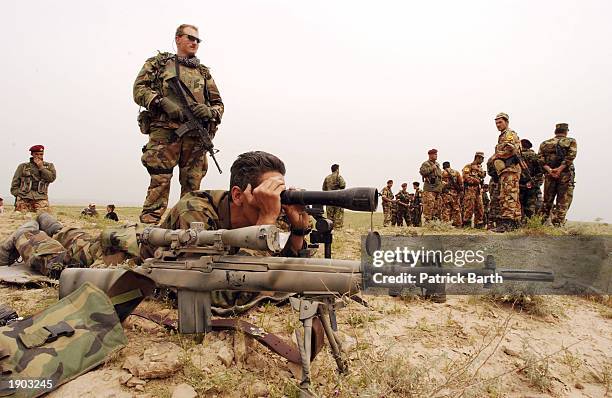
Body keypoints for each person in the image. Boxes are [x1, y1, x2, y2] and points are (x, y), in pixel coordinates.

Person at [0, 151, 310, 312]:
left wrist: (297, 230)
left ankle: (48, 222)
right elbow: (223, 286)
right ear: (239, 194)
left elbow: (280, 261)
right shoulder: (196, 208)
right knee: (59, 257)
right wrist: (268, 217)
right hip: (119, 251)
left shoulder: (262, 214)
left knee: (69, 231)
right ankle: (28, 228)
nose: (276, 203)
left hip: (138, 237)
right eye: (268, 193)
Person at [134, 23, 224, 224]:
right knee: (160, 182)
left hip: (196, 137)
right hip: (165, 136)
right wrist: (161, 102)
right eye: (190, 38)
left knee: (193, 188)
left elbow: (219, 104)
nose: (194, 42)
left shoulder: (203, 73)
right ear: (178, 39)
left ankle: (186, 232)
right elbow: (139, 90)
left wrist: (210, 111)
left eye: (197, 40)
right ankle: (149, 232)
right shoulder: (158, 64)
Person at [537, 123, 577, 226]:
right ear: (566, 131)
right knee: (563, 202)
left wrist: (550, 170)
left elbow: (540, 160)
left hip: (550, 175)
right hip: (565, 175)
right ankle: (558, 225)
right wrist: (559, 170)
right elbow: (571, 157)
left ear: (555, 131)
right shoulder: (571, 141)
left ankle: (539, 224)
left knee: (547, 202)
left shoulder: (544, 143)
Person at [490, 113, 522, 232]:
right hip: (506, 170)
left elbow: (512, 149)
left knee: (508, 196)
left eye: (500, 122)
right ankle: (515, 223)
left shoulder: (509, 134)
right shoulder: (502, 136)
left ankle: (507, 224)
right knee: (512, 196)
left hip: (510, 169)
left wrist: (496, 156)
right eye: (496, 123)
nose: (498, 125)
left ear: (506, 122)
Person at [10, 145, 56, 213]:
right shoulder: (23, 166)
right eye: (36, 154)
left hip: (41, 198)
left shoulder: (49, 166)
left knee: (44, 217)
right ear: (32, 154)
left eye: (41, 154)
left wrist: (41, 168)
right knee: (20, 217)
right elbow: (15, 184)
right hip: (24, 198)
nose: (39, 156)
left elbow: (51, 178)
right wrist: (19, 195)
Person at [519, 139, 544, 221]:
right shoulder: (535, 156)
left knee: (518, 207)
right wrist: (532, 182)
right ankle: (529, 225)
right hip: (532, 186)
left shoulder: (516, 156)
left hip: (518, 186)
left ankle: (519, 225)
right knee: (530, 208)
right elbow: (540, 173)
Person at [462, 152, 486, 228]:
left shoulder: (480, 168)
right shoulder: (468, 166)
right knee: (469, 207)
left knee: (480, 207)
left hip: (478, 190)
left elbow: (482, 177)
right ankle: (467, 224)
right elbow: (466, 177)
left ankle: (479, 224)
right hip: (470, 189)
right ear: (477, 157)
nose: (482, 160)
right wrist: (476, 180)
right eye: (482, 158)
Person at [419, 149, 443, 223]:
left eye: (436, 154)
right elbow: (422, 171)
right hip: (430, 189)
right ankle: (428, 223)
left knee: (437, 207)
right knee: (429, 207)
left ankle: (435, 223)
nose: (436, 155)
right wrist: (432, 168)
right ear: (430, 155)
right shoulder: (426, 164)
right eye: (434, 154)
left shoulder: (437, 164)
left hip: (437, 189)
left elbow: (439, 176)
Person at [322, 164, 346, 228]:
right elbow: (343, 185)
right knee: (338, 216)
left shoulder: (327, 178)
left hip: (329, 200)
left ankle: (329, 229)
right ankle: (337, 230)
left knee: (330, 217)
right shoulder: (339, 177)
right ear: (337, 169)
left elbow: (324, 189)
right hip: (338, 200)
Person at [440, 162, 463, 227]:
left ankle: (446, 225)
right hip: (455, 193)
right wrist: (460, 192)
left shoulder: (441, 173)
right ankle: (458, 224)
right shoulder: (456, 172)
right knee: (456, 209)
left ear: (443, 166)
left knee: (446, 209)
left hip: (446, 193)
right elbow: (461, 183)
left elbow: (439, 184)